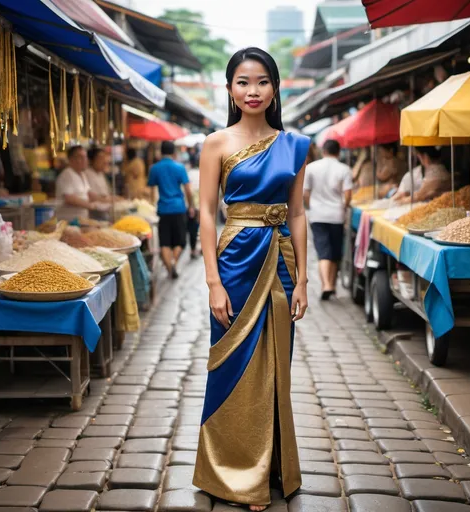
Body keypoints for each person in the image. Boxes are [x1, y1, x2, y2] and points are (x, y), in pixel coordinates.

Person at [193, 47, 310, 511]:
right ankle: (234, 474)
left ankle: (270, 467)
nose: (253, 91)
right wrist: (212, 281)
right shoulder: (215, 144)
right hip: (235, 262)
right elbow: (204, 212)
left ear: (275, 88)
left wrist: (302, 280)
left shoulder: (296, 145)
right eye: (243, 82)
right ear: (229, 90)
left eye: (262, 81)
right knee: (232, 365)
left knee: (277, 364)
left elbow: (298, 212)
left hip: (280, 262)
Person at [304, 139, 352, 300]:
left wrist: (311, 206)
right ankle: (330, 284)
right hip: (336, 215)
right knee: (335, 252)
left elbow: (305, 193)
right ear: (338, 152)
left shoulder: (311, 168)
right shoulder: (344, 169)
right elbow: (347, 195)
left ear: (323, 151)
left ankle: (326, 285)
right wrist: (343, 207)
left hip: (317, 215)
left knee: (323, 251)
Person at [148, 141, 195, 279]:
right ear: (173, 152)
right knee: (181, 241)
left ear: (160, 152)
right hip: (178, 208)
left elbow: (152, 191)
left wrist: (153, 205)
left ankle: (170, 268)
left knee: (165, 242)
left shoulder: (154, 168)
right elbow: (188, 190)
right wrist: (191, 205)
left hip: (163, 209)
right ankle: (173, 263)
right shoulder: (179, 167)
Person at [56, 145, 106, 221]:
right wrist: (90, 205)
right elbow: (69, 198)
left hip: (82, 220)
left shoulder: (82, 174)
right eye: (81, 157)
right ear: (71, 159)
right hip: (68, 221)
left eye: (85, 157)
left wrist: (106, 201)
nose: (85, 160)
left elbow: (89, 194)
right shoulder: (67, 174)